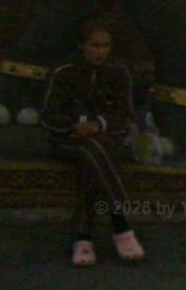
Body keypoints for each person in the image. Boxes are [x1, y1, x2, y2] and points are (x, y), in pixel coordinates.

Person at [40, 15, 145, 267]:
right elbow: (48, 115)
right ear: (81, 45)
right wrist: (75, 126)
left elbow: (125, 115)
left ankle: (83, 237)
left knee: (95, 153)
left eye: (105, 46)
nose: (101, 52)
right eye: (94, 46)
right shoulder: (64, 71)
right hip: (70, 139)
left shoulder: (119, 72)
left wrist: (99, 124)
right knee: (94, 151)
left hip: (106, 139)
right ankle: (121, 224)